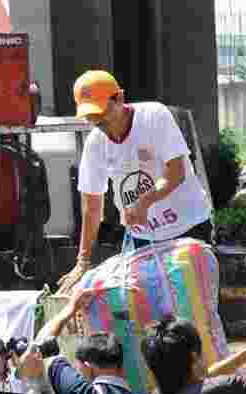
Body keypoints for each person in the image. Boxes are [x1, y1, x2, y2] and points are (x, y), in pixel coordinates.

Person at [56, 70, 214, 296]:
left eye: (103, 115)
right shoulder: (96, 144)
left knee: (195, 308)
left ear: (119, 99)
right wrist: (83, 261)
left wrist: (144, 203)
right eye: (94, 120)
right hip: (141, 239)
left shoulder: (154, 116)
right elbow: (91, 207)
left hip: (188, 229)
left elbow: (176, 172)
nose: (101, 124)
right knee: (145, 313)